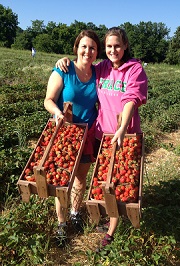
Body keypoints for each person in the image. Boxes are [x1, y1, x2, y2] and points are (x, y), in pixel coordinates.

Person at [55, 27, 148, 251]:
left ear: (125, 46)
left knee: (116, 181)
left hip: (124, 134)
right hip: (101, 134)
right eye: (108, 46)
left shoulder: (134, 69)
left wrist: (123, 127)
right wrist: (64, 60)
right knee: (105, 178)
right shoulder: (103, 68)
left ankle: (110, 233)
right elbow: (82, 65)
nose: (113, 50)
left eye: (117, 45)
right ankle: (105, 218)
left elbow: (131, 99)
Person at [44, 29, 101, 247]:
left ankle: (76, 214)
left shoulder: (98, 73)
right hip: (65, 133)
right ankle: (61, 223)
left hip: (87, 133)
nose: (88, 51)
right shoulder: (63, 70)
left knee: (79, 178)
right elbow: (48, 99)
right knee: (61, 181)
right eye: (84, 46)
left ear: (97, 52)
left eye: (93, 47)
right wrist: (57, 113)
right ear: (76, 47)